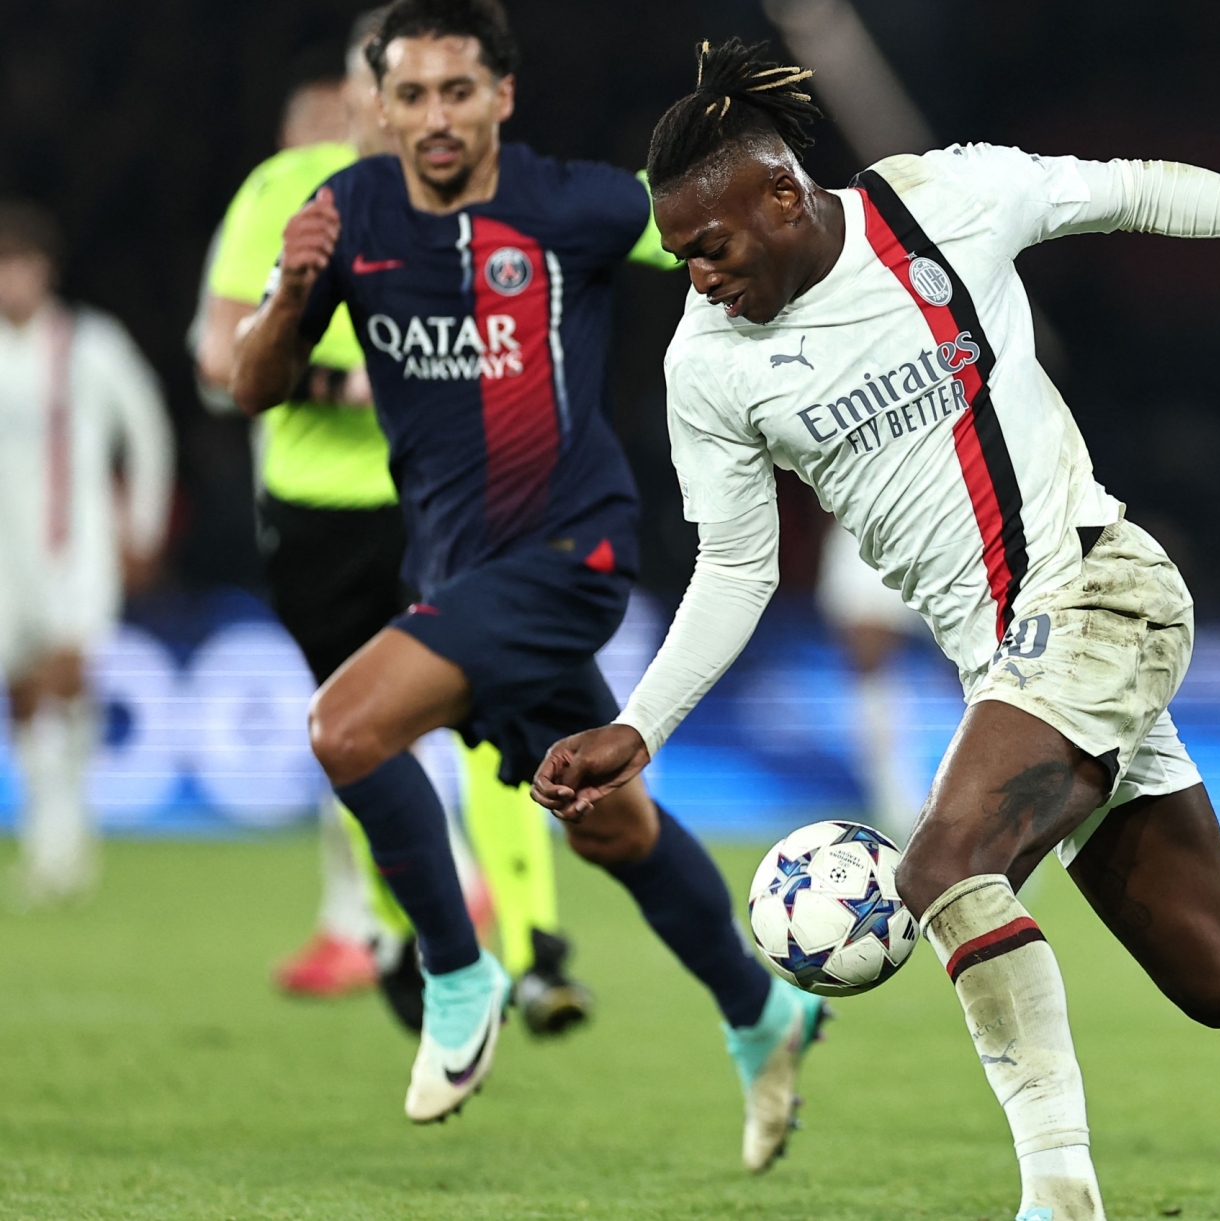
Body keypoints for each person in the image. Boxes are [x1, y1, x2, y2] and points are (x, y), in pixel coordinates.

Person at [531, 38, 1220, 1221]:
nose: (697, 275)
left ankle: (1061, 1200)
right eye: (679, 255)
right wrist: (638, 727)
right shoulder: (706, 368)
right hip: (1008, 667)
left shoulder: (941, 202)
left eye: (713, 246)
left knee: (943, 867)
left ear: (782, 197)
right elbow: (739, 567)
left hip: (1100, 592)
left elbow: (1134, 186)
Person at [228, 0, 824, 1158]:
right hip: (454, 569)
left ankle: (456, 975)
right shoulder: (347, 216)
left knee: (345, 730)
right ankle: (764, 1011)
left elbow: (733, 239)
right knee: (610, 826)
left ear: (503, 95)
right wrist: (294, 292)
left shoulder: (573, 206)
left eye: (458, 92)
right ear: (379, 105)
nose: (435, 117)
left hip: (572, 553)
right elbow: (252, 386)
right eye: (411, 95)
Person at [196, 8, 595, 1038]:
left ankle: (536, 950)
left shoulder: (497, 199)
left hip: (453, 511)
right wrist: (343, 382)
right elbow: (214, 353)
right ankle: (395, 934)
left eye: (441, 83)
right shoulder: (285, 194)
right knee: (367, 739)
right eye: (398, 83)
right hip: (320, 520)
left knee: (497, 718)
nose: (417, 103)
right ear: (363, 90)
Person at [0, 200, 172, 906]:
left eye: (22, 265)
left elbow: (148, 428)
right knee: (22, 695)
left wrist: (146, 523)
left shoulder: (90, 345)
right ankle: (52, 832)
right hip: (6, 557)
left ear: (46, 271)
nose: (13, 281)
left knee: (64, 678)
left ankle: (63, 841)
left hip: (77, 547)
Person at [818, 520, 932, 841]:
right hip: (865, 513)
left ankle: (997, 812)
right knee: (868, 659)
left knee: (982, 657)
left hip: (947, 511)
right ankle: (900, 810)